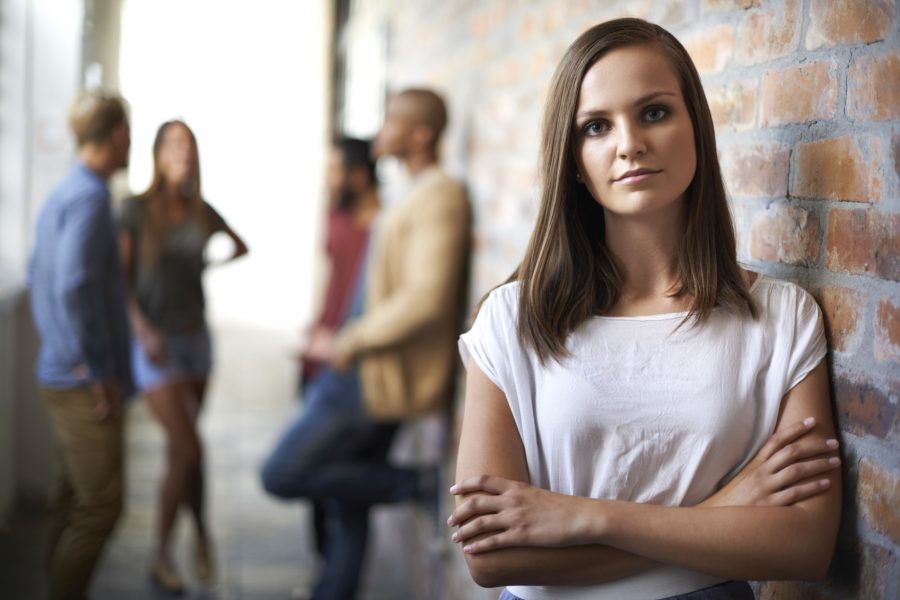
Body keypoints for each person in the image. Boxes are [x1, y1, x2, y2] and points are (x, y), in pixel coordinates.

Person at [449, 18, 841, 600]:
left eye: (654, 112)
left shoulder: (781, 318)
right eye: (596, 126)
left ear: (696, 129)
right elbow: (494, 557)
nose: (629, 142)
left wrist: (586, 517)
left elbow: (804, 546)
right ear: (574, 161)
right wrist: (721, 512)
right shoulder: (512, 321)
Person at [261, 88, 471, 600]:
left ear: (420, 134)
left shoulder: (440, 194)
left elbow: (426, 298)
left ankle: (416, 486)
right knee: (347, 501)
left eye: (390, 122)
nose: (380, 132)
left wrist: (350, 340)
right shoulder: (412, 190)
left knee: (282, 473)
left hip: (366, 375)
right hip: (357, 364)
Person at [118, 120, 248, 592]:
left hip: (197, 341)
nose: (183, 153)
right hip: (156, 343)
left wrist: (209, 263)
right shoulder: (134, 210)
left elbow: (240, 246)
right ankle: (176, 546)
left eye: (189, 146)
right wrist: (143, 330)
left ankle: (185, 544)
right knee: (190, 446)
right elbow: (121, 282)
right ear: (157, 154)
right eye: (174, 145)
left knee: (183, 449)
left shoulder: (200, 210)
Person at [28, 89, 133, 600]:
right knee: (100, 508)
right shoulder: (90, 198)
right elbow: (71, 285)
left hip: (58, 369)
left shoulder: (64, 189)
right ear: (118, 136)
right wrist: (99, 369)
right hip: (81, 381)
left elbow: (36, 271)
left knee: (70, 499)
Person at [300, 136, 380, 388]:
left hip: (354, 352)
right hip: (320, 345)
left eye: (334, 170)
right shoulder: (335, 216)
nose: (327, 180)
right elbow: (331, 276)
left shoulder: (384, 228)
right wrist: (318, 325)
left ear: (358, 176)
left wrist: (347, 341)